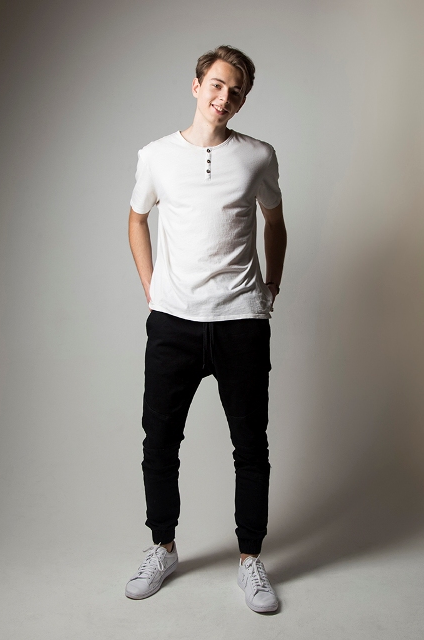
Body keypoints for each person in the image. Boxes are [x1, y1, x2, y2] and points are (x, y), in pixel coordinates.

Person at [125, 45, 287, 613]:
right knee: (159, 443)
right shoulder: (156, 156)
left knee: (251, 447)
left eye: (236, 91)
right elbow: (137, 218)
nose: (225, 97)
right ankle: (162, 547)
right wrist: (152, 288)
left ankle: (251, 559)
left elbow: (274, 220)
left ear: (243, 100)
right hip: (174, 322)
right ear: (197, 86)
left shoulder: (258, 156)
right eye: (217, 85)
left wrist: (271, 286)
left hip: (241, 321)